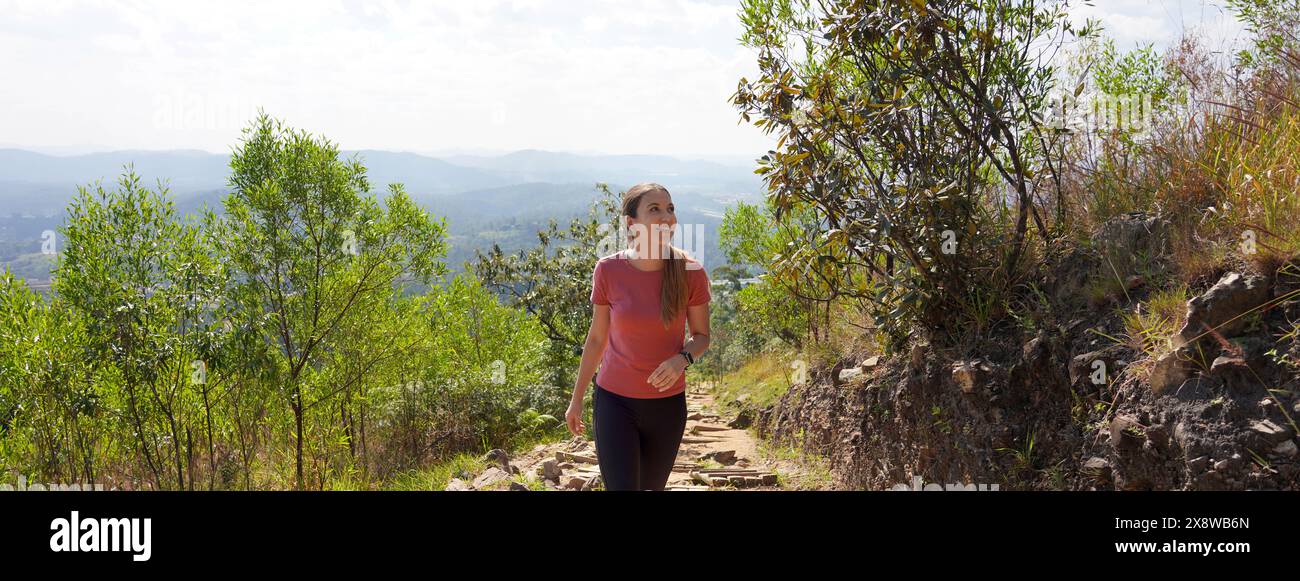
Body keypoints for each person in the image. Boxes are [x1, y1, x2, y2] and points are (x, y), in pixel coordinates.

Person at [564, 182, 712, 491]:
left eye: (670, 209)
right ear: (632, 223)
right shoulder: (608, 270)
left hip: (667, 406)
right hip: (614, 402)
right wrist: (576, 400)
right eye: (654, 209)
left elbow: (701, 336)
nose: (666, 216)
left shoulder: (691, 271)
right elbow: (596, 339)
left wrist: (682, 359)